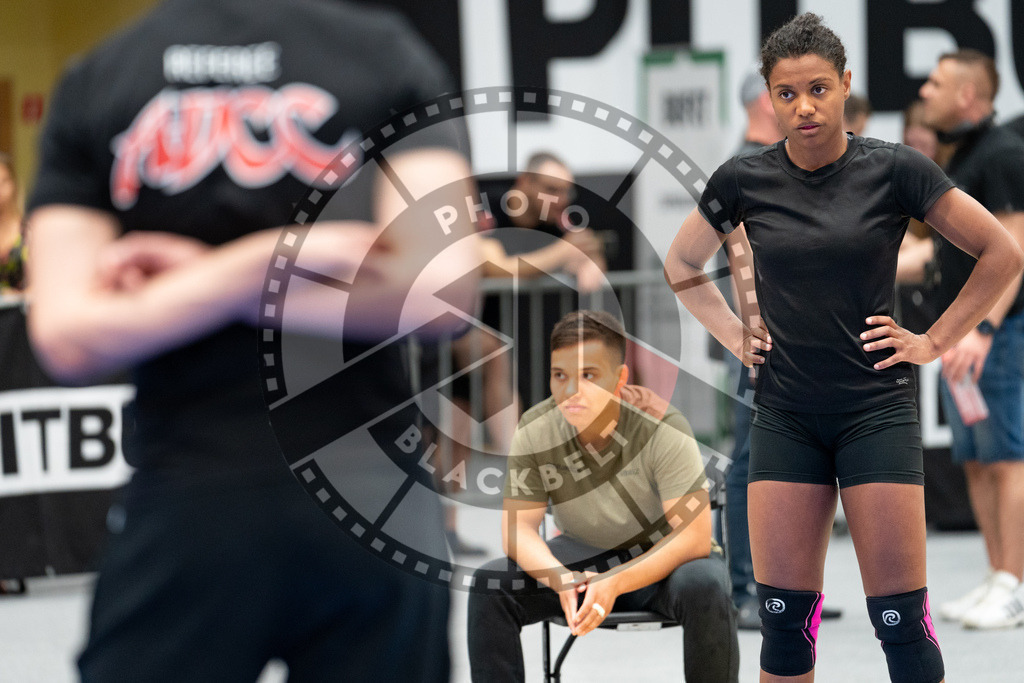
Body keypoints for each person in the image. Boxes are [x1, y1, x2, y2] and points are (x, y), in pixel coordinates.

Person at [25, 1, 480, 680]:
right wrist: (261, 265)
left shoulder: (105, 72)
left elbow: (442, 287)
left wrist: (203, 280)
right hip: (316, 494)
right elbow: (66, 333)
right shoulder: (381, 52)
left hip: (262, 493)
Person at [665, 13, 1023, 683]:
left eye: (818, 89)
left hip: (874, 412)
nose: (803, 107)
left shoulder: (896, 169)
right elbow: (682, 263)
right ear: (770, 98)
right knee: (785, 634)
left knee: (903, 629)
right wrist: (735, 335)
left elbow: (1002, 252)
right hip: (785, 416)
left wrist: (935, 339)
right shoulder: (743, 178)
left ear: (846, 85)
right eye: (787, 93)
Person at [467, 310, 739, 683]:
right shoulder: (536, 428)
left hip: (662, 560)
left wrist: (617, 580)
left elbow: (693, 537)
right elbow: (518, 530)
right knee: (491, 585)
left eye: (589, 375)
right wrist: (558, 577)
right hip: (580, 559)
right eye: (559, 375)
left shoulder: (662, 425)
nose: (570, 391)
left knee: (705, 584)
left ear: (620, 378)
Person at [913, 49, 1024, 630]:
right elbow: (940, 254)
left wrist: (982, 329)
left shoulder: (1003, 154)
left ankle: (1015, 584)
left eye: (935, 83)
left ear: (966, 95)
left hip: (996, 337)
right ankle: (997, 573)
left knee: (1007, 458)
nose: (924, 91)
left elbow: (1015, 250)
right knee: (977, 459)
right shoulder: (960, 155)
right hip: (961, 337)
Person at [0, 153, 26, 294]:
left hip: (23, 304)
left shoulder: (28, 230)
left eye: (3, 182)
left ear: (13, 184)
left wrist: (17, 296)